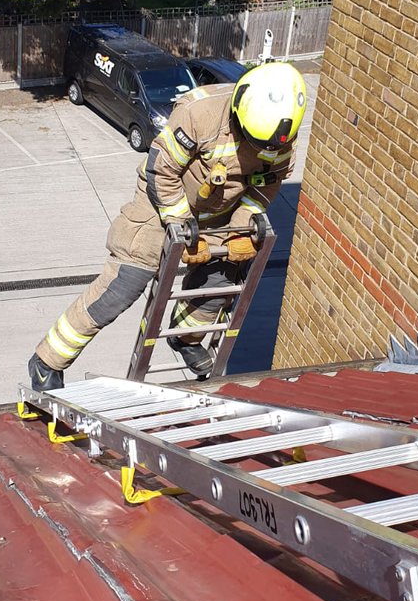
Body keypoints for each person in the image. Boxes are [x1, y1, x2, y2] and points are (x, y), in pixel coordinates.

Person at [29, 61, 307, 388]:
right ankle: (47, 361)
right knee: (124, 283)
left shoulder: (278, 138)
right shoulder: (199, 114)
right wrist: (182, 224)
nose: (259, 149)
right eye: (251, 138)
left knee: (218, 281)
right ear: (238, 109)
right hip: (162, 203)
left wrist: (242, 224)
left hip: (220, 211)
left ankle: (185, 339)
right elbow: (161, 172)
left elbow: (266, 184)